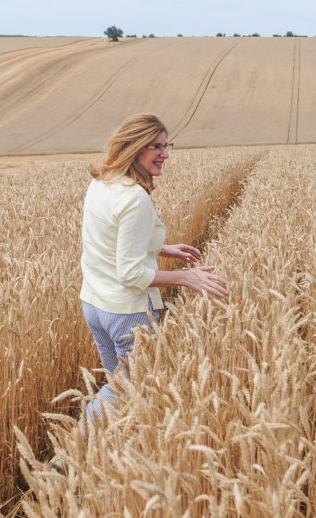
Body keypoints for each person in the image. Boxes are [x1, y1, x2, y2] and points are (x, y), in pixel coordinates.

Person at [79, 113, 228, 424]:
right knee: (129, 391)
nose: (165, 154)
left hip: (94, 304)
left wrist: (161, 248)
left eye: (166, 145)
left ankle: (104, 452)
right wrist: (186, 278)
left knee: (119, 387)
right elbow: (131, 275)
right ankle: (73, 448)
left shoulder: (101, 183)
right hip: (125, 313)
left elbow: (110, 237)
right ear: (135, 147)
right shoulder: (135, 199)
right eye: (156, 147)